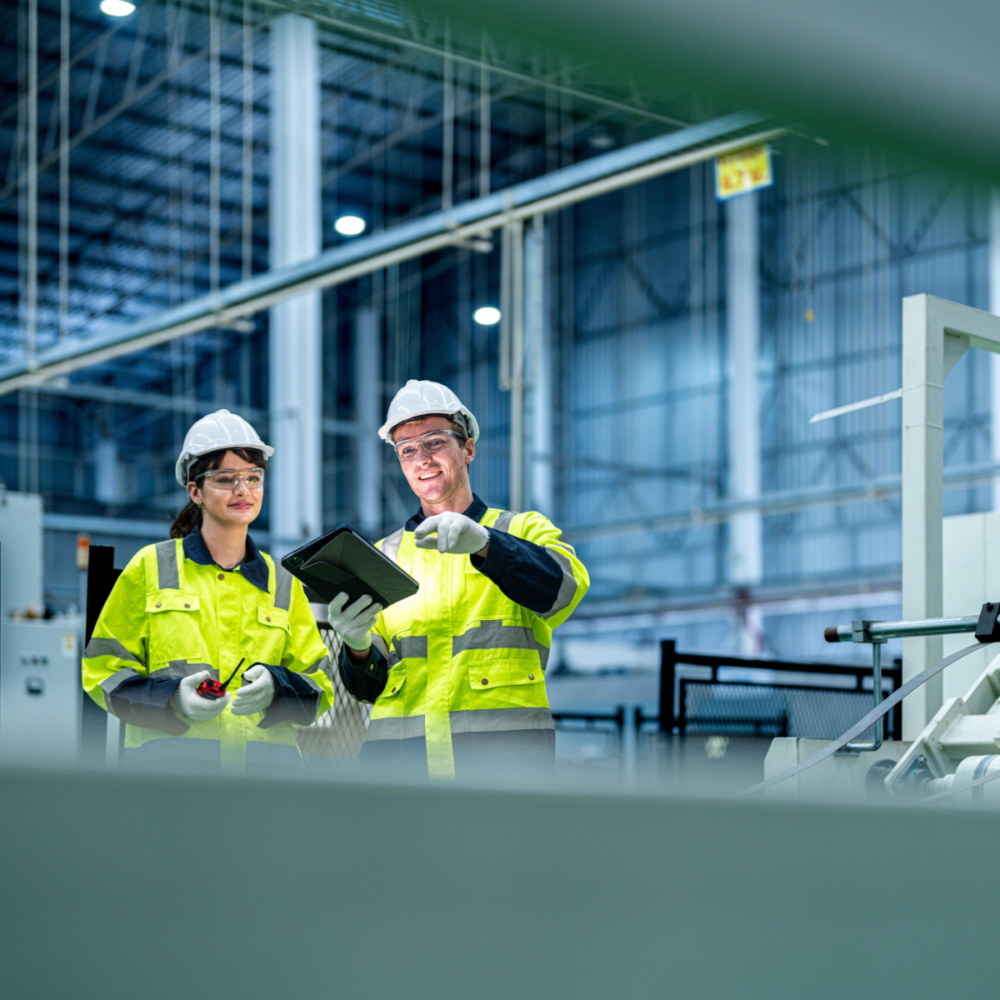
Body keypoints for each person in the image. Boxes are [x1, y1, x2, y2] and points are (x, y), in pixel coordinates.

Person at [330, 379, 589, 779]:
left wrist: (489, 545)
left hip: (502, 763)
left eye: (435, 442)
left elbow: (563, 590)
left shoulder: (521, 530)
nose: (422, 459)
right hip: (399, 766)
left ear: (467, 448)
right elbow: (368, 688)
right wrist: (356, 647)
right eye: (407, 450)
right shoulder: (384, 556)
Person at [82, 409, 335, 773]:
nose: (243, 490)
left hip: (268, 785)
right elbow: (102, 671)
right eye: (225, 479)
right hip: (174, 783)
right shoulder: (151, 567)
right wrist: (173, 701)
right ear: (195, 491)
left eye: (253, 477)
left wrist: (277, 688)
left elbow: (321, 685)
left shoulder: (282, 582)